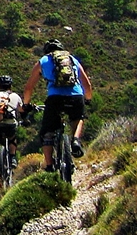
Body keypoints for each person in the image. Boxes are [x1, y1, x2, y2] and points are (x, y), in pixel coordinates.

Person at [24, 39, 93, 169]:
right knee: (78, 119)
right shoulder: (72, 59)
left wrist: (26, 105)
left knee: (47, 131)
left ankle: (49, 165)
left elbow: (29, 88)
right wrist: (88, 99)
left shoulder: (43, 61)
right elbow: (87, 84)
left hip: (55, 98)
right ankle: (76, 140)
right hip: (76, 96)